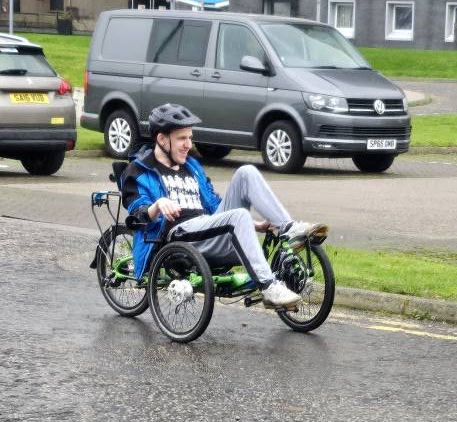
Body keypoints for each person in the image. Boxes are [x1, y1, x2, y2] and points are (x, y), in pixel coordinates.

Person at [121, 103, 327, 309]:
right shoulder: (140, 170)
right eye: (182, 138)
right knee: (237, 215)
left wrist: (256, 225)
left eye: (190, 138)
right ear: (162, 139)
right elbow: (137, 215)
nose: (188, 144)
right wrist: (158, 205)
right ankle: (269, 286)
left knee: (246, 172)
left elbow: (214, 205)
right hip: (178, 236)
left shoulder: (191, 166)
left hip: (207, 228)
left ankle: (287, 228)